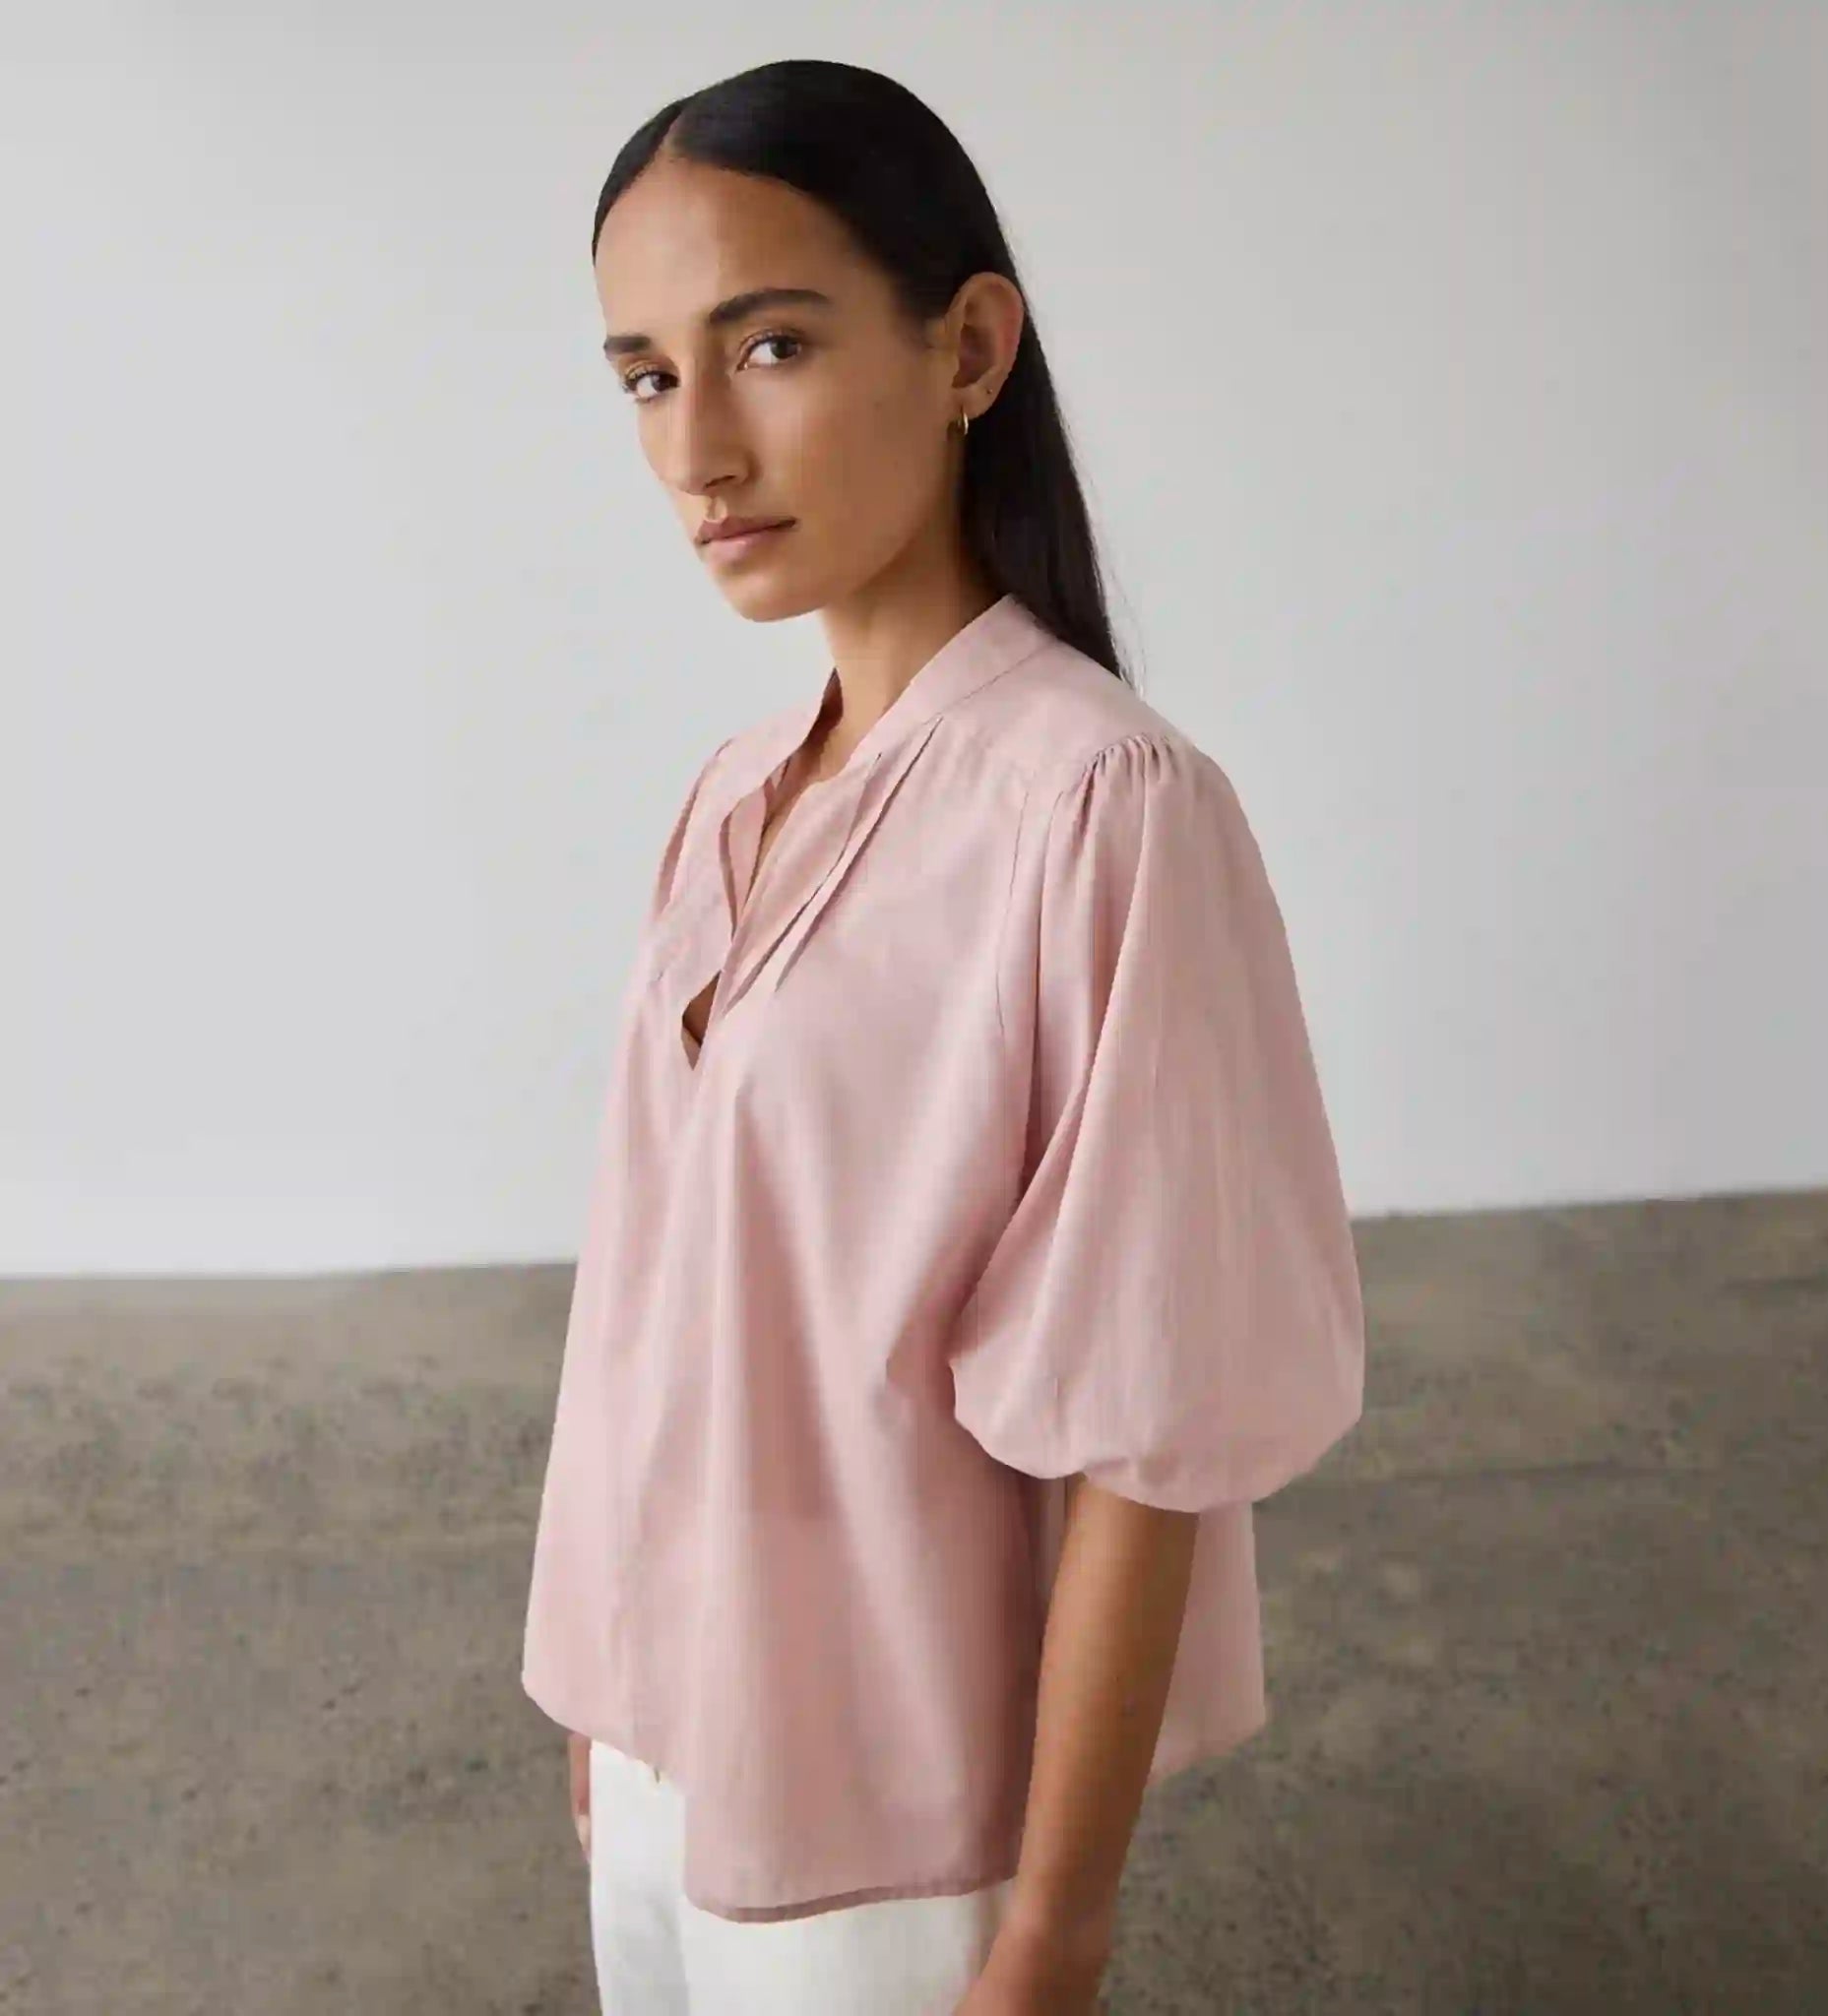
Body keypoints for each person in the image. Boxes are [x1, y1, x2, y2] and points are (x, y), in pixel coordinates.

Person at [521, 56, 1367, 2016]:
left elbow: (1143, 1435)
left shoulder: (1103, 810)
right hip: (657, 1767)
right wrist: (611, 1697)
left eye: (772, 344)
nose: (697, 450)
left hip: (891, 1835)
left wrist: (1051, 1925)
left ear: (968, 340)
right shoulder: (736, 793)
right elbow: (662, 1308)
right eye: (647, 375)